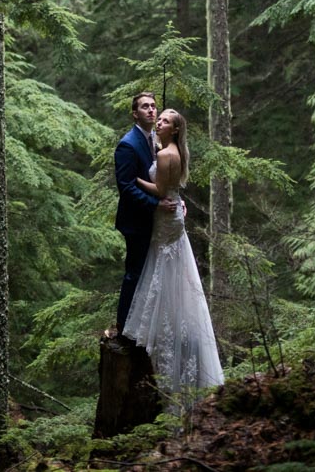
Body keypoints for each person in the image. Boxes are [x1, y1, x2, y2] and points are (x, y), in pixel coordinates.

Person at [122, 108, 224, 406]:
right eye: (158, 117)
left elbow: (160, 189)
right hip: (171, 213)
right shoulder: (166, 148)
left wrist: (135, 180)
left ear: (175, 129)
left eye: (165, 120)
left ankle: (163, 325)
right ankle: (161, 321)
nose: (159, 121)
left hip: (166, 217)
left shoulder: (168, 154)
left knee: (164, 267)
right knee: (165, 265)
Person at [114, 92, 177, 335]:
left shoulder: (156, 140)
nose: (151, 110)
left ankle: (144, 327)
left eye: (153, 106)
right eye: (144, 107)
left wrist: (175, 200)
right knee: (135, 274)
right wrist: (155, 204)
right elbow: (126, 187)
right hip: (137, 221)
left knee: (153, 274)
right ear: (135, 113)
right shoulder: (128, 144)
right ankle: (123, 329)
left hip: (156, 220)